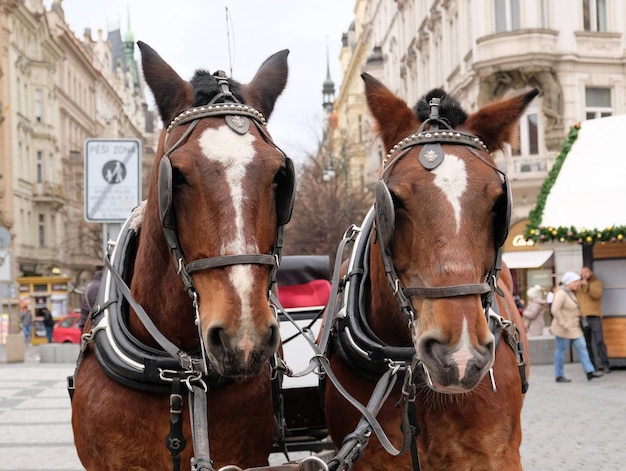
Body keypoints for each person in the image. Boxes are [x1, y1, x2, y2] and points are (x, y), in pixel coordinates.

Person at [550, 271, 603, 382]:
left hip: (574, 328)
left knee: (582, 348)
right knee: (561, 352)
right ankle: (559, 375)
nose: (577, 284)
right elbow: (555, 310)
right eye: (575, 282)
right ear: (568, 282)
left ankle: (589, 372)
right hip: (563, 329)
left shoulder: (571, 292)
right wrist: (563, 323)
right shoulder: (561, 293)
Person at [577, 265, 610, 373]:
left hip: (594, 316)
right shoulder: (578, 285)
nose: (584, 274)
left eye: (586, 272)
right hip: (582, 317)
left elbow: (596, 295)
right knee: (587, 343)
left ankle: (605, 363)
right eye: (582, 272)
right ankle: (592, 365)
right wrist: (577, 281)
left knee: (599, 340)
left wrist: (587, 285)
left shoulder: (597, 283)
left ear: (591, 272)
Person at [79, 265, 104, 330]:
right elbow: (96, 307)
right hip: (92, 326)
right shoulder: (99, 286)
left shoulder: (91, 285)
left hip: (85, 324)